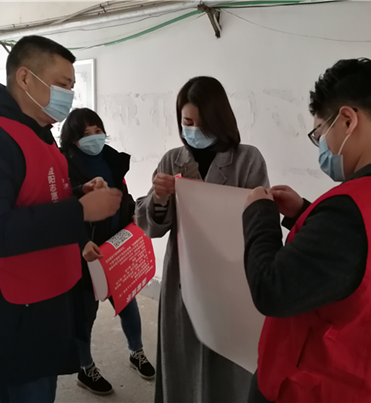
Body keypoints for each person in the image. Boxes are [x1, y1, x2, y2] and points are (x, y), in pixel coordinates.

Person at [243, 58, 371, 403]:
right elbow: (369, 260)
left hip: (309, 390)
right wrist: (305, 213)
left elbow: (271, 289)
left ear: (347, 120)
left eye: (320, 134)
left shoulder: (351, 210)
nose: (322, 146)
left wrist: (258, 214)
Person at [0, 35, 122, 403]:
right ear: (25, 78)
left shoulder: (36, 132)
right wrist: (81, 211)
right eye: (62, 85)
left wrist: (78, 194)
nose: (68, 95)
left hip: (40, 295)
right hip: (7, 305)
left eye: (71, 87)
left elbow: (34, 195)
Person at [136, 76, 270, 403]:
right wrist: (160, 197)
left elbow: (260, 220)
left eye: (202, 123)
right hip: (185, 277)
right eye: (187, 122)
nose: (194, 130)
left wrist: (210, 202)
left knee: (228, 364)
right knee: (184, 359)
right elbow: (153, 227)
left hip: (232, 280)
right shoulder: (173, 160)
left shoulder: (248, 159)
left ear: (220, 120)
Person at [60, 108, 155, 396]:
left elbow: (122, 194)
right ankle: (85, 367)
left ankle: (136, 352)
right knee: (85, 314)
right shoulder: (64, 165)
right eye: (85, 134)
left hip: (116, 247)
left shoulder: (112, 159)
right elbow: (63, 212)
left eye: (97, 130)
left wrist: (132, 212)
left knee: (127, 300)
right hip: (87, 252)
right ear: (73, 140)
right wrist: (80, 243)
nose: (94, 138)